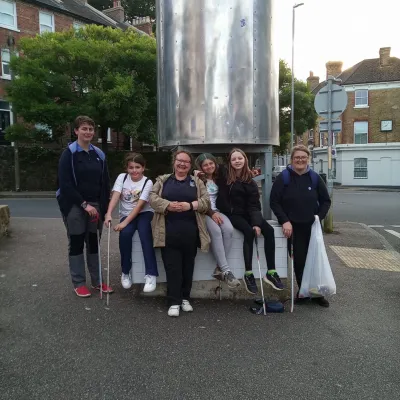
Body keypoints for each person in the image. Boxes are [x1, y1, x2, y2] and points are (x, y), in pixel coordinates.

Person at [149, 150, 210, 317]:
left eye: (186, 162)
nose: (182, 164)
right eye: (179, 160)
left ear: (190, 166)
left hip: (191, 232)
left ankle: (185, 298)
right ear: (174, 162)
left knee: (188, 267)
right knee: (172, 267)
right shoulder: (163, 180)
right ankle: (173, 301)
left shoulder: (196, 182)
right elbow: (152, 198)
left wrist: (190, 206)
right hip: (167, 232)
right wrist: (167, 205)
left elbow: (206, 202)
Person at [57, 116, 113, 297]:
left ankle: (97, 281)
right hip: (75, 205)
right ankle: (79, 282)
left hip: (96, 206)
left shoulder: (99, 155)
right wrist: (84, 205)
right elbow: (65, 185)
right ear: (76, 131)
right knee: (76, 243)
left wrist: (104, 210)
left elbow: (105, 184)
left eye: (90, 129)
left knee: (93, 243)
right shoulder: (69, 154)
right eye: (84, 129)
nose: (88, 132)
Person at [215, 148, 284, 295]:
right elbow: (211, 169)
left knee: (269, 231)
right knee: (249, 232)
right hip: (232, 214)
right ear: (230, 162)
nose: (237, 161)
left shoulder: (251, 182)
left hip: (249, 213)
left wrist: (256, 223)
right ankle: (248, 273)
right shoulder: (225, 178)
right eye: (234, 159)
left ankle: (271, 272)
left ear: (245, 160)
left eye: (240, 158)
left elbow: (254, 205)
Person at [270, 145, 331, 307]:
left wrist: (319, 217)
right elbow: (274, 202)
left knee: (316, 260)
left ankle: (318, 294)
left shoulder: (315, 178)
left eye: (303, 157)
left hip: (312, 227)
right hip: (294, 227)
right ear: (292, 159)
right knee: (301, 261)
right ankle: (303, 292)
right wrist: (284, 220)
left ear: (308, 159)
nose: (300, 160)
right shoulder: (283, 178)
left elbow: (326, 201)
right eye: (297, 157)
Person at [104, 153, 158, 292]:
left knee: (145, 233)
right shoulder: (122, 178)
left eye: (137, 167)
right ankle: (125, 272)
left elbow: (140, 206)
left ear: (143, 168)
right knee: (125, 235)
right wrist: (109, 213)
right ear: (127, 168)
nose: (134, 170)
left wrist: (123, 223)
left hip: (144, 213)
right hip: (127, 213)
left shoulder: (148, 182)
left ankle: (151, 274)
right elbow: (115, 196)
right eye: (131, 167)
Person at [195, 153, 240, 288]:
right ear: (200, 167)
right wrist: (211, 213)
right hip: (204, 212)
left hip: (219, 211)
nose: (209, 167)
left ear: (215, 163)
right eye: (205, 165)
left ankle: (218, 269)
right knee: (215, 231)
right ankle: (226, 271)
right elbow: (199, 200)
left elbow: (235, 172)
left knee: (228, 229)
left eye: (211, 163)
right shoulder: (198, 180)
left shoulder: (220, 177)